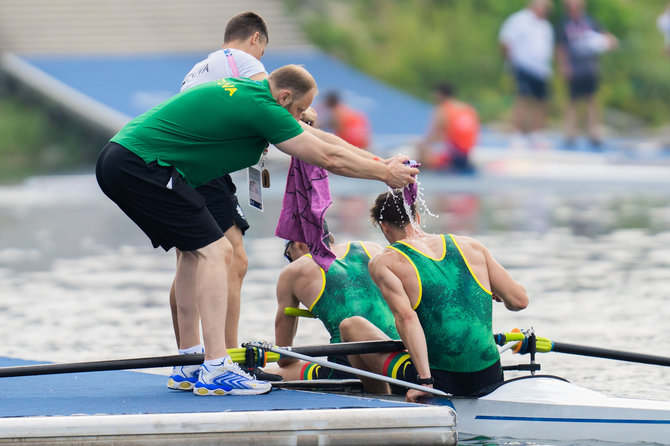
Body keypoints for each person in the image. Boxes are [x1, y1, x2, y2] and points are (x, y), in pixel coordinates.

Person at [95, 65, 418, 396]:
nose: (298, 119)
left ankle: (190, 362)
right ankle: (217, 366)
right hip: (140, 164)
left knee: (195, 253)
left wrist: (383, 162)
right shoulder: (264, 108)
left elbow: (323, 139)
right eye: (295, 111)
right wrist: (383, 176)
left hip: (125, 159)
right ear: (284, 97)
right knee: (219, 251)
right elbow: (328, 157)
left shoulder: (255, 92)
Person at [339, 190, 528, 401]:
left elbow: (406, 319)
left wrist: (425, 383)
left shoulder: (384, 262)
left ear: (384, 227)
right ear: (417, 217)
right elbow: (519, 301)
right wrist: (498, 294)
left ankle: (381, 400)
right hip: (489, 376)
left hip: (440, 380)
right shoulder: (472, 246)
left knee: (350, 326)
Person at [166, 13, 269, 379]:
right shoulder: (243, 60)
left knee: (190, 260)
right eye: (263, 52)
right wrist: (304, 113)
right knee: (233, 258)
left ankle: (188, 357)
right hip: (203, 164)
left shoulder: (197, 70)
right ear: (255, 38)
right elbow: (270, 104)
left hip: (180, 164)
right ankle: (226, 359)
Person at [263, 224, 399, 384]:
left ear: (299, 245)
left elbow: (284, 357)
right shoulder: (372, 248)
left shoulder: (293, 271)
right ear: (330, 238)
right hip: (397, 356)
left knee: (267, 373)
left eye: (289, 256)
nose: (291, 261)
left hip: (348, 368)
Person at [557, 0, 617, 149]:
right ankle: (570, 134)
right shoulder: (563, 23)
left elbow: (608, 38)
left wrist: (608, 42)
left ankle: (594, 134)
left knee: (592, 101)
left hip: (589, 68)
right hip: (574, 68)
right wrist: (563, 66)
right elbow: (560, 47)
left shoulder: (591, 21)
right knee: (572, 101)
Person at [499, 0, 554, 149]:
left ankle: (536, 134)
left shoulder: (545, 26)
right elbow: (505, 41)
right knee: (522, 99)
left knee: (540, 101)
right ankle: (517, 133)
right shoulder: (519, 20)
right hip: (523, 65)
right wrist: (510, 61)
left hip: (541, 69)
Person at [416, 83, 479, 173]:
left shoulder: (442, 110)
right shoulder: (468, 109)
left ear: (439, 95)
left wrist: (420, 145)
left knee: (420, 159)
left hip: (452, 156)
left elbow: (433, 136)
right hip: (466, 154)